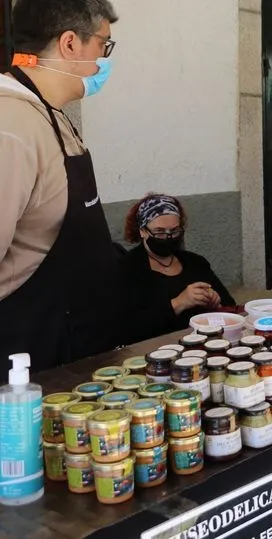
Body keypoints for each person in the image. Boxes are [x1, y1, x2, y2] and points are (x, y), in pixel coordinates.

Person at [0, 0, 158, 381]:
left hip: (80, 348)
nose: (105, 58)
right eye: (104, 44)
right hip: (35, 360)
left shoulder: (50, 114)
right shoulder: (11, 126)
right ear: (70, 43)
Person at [120, 194, 236, 337]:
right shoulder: (129, 268)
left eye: (174, 231)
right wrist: (179, 303)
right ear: (142, 231)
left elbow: (230, 306)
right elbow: (128, 326)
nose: (168, 237)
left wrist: (215, 303)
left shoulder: (195, 263)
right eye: (159, 232)